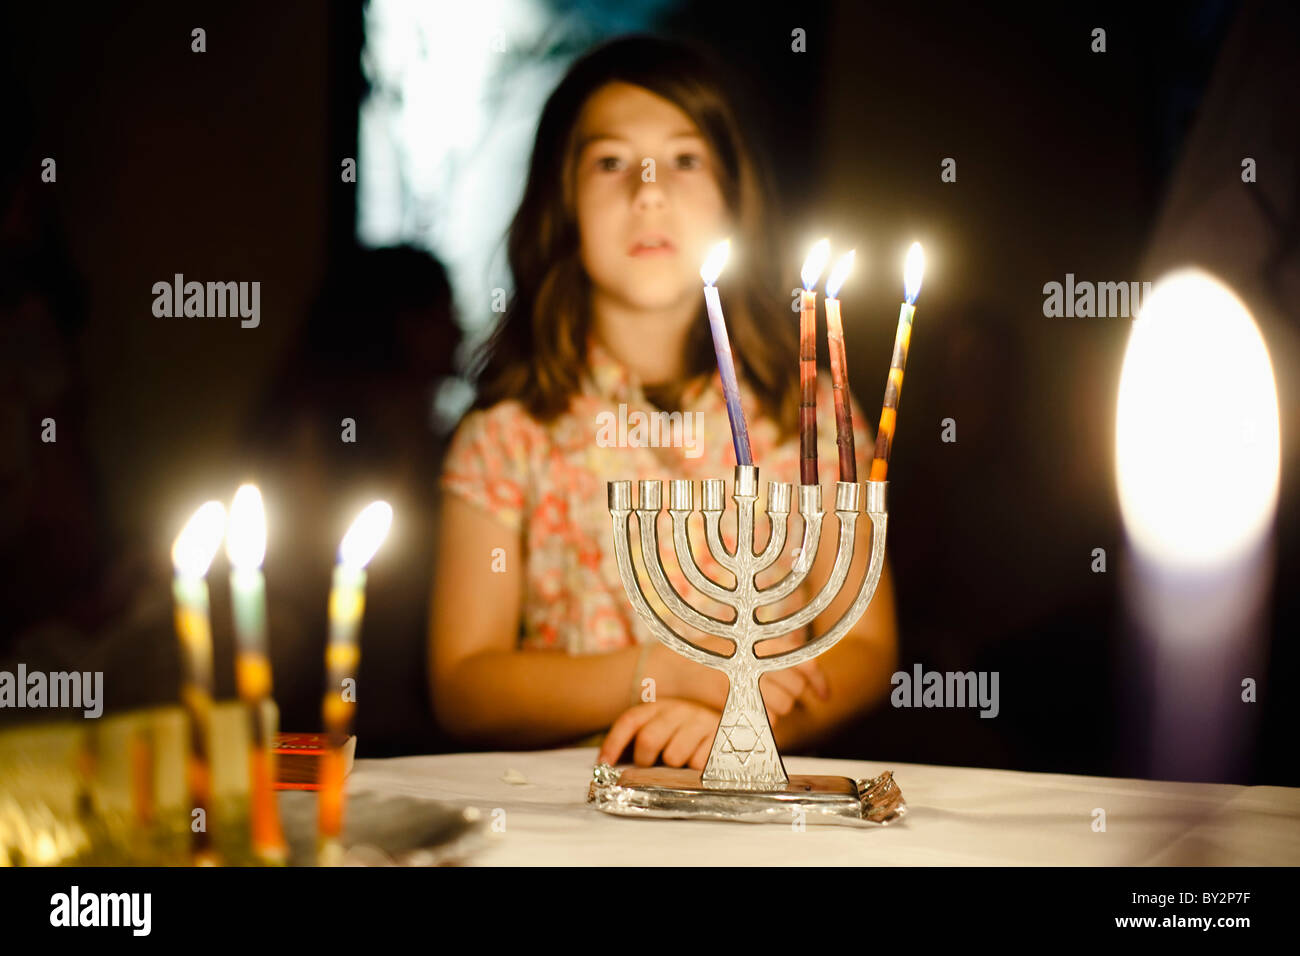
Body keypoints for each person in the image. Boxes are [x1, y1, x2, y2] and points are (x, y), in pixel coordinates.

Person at [429, 35, 898, 771]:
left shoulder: (806, 420)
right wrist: (664, 672)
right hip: (574, 819)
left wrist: (743, 725)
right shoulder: (508, 436)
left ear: (735, 196)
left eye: (685, 159)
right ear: (562, 204)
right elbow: (464, 683)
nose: (648, 190)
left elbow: (865, 646)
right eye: (610, 161)